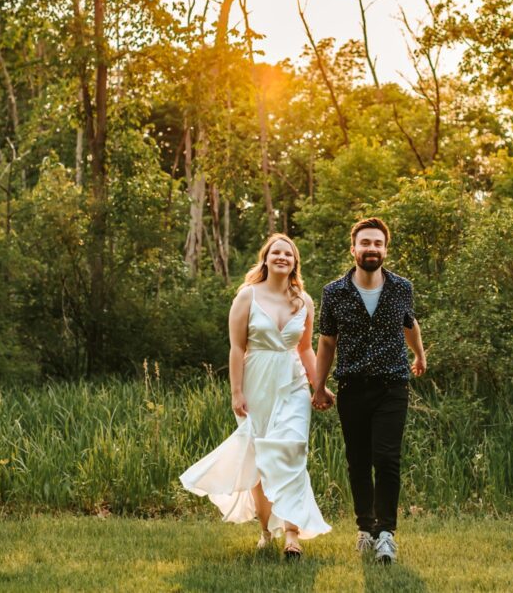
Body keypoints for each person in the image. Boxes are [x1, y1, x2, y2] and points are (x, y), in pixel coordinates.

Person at [180, 234, 331, 560]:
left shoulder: (304, 300)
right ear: (265, 258)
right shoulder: (247, 297)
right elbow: (237, 348)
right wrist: (236, 391)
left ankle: (292, 535)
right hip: (256, 383)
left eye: (287, 254)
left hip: (292, 384)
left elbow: (305, 348)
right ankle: (266, 531)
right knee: (262, 461)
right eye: (276, 252)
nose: (281, 257)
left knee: (293, 453)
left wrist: (318, 386)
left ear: (294, 263)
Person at [312, 217, 427, 565]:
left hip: (393, 385)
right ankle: (365, 528)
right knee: (358, 461)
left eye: (378, 243)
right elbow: (327, 341)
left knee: (387, 459)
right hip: (353, 387)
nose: (371, 248)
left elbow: (409, 322)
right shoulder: (334, 292)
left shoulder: (401, 287)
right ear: (354, 249)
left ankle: (386, 535)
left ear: (385, 249)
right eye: (365, 243)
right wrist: (319, 386)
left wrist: (420, 354)